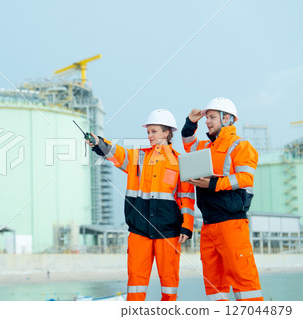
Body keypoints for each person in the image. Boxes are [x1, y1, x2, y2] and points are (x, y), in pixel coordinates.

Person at [87, 109, 195, 301]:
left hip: (168, 232)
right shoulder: (138, 157)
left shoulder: (180, 161)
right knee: (136, 282)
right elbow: (117, 154)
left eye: (154, 131)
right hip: (139, 231)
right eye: (148, 132)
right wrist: (99, 143)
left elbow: (186, 197)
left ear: (167, 132)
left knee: (169, 283)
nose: (150, 136)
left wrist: (186, 225)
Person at [181, 97, 263, 301]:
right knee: (214, 284)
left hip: (232, 223)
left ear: (227, 118)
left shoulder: (241, 146)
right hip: (209, 225)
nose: (207, 121)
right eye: (207, 117)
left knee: (244, 280)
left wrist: (212, 184)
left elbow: (245, 178)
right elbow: (188, 143)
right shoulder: (205, 147)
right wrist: (191, 123)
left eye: (211, 117)